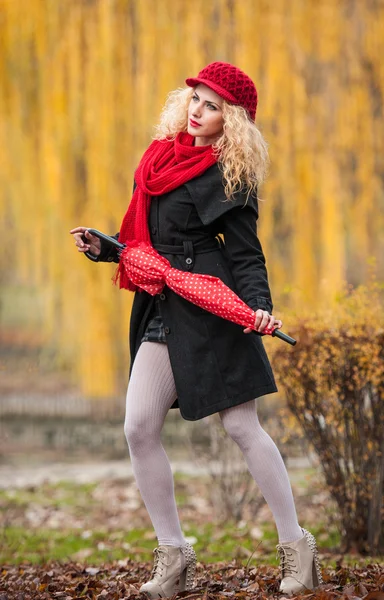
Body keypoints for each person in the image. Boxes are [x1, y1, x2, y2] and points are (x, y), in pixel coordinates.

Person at [70, 62, 323, 596]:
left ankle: (296, 549)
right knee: (138, 427)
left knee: (241, 428)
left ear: (230, 119)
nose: (197, 111)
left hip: (212, 309)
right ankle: (175, 556)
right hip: (161, 307)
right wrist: (105, 248)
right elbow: (139, 236)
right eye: (194, 100)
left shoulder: (229, 175)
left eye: (211, 106)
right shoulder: (158, 159)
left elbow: (248, 257)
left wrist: (257, 307)